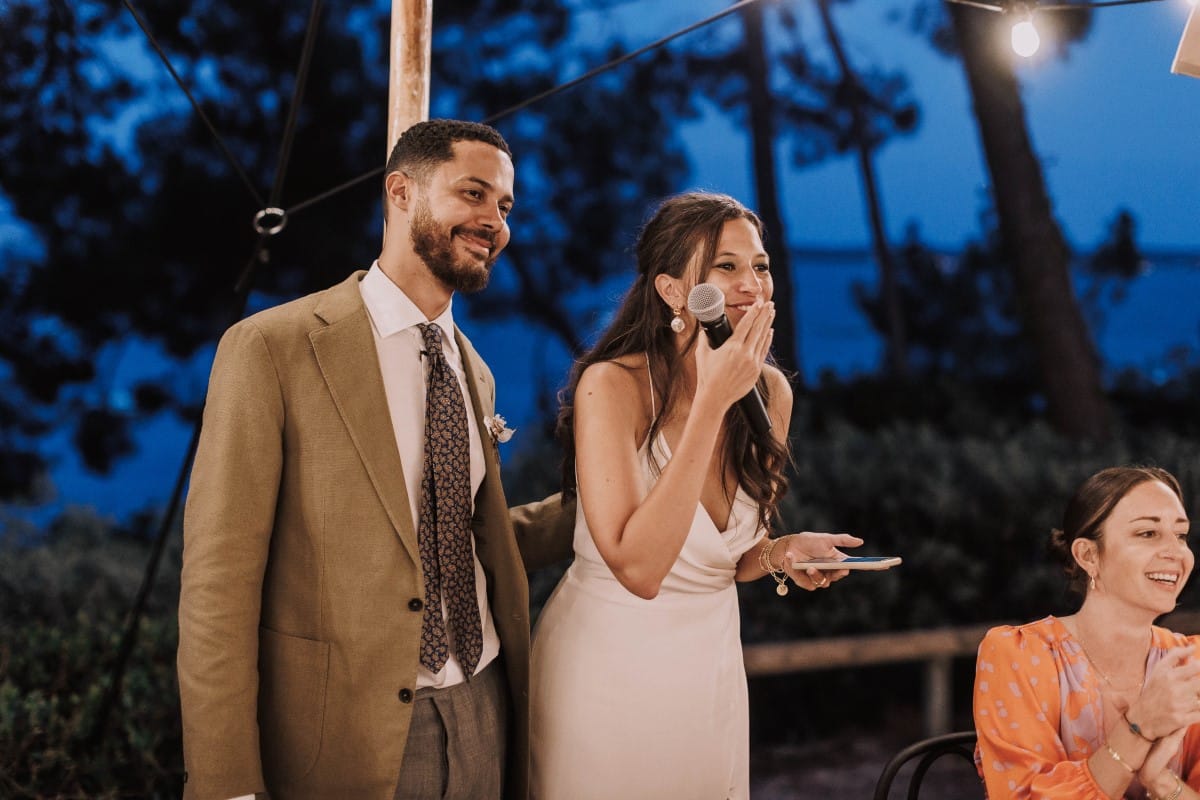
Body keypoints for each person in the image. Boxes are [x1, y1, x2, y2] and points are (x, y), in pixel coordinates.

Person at [177, 119, 573, 800]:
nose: (494, 222)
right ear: (400, 192)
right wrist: (226, 783)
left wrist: (623, 492)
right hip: (348, 736)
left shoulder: (474, 369)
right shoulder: (273, 347)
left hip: (487, 710)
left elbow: (468, 542)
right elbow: (219, 583)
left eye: (505, 206)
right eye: (473, 194)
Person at [528, 191, 865, 800]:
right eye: (726, 266)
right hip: (609, 671)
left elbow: (729, 557)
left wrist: (783, 552)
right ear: (673, 292)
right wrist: (712, 400)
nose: (751, 283)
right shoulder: (613, 387)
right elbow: (640, 567)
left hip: (708, 672)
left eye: (760, 266)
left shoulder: (769, 393)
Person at [974, 465, 1200, 800]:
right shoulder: (1019, 655)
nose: (1176, 552)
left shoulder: (1191, 664)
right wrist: (1139, 727)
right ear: (1088, 555)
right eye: (1147, 534)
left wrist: (1162, 782)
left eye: (1180, 535)